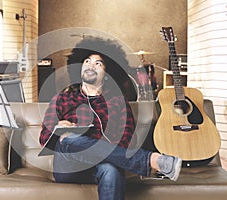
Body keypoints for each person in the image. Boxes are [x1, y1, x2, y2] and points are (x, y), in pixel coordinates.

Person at [39, 37, 182, 200]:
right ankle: (151, 161)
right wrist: (60, 127)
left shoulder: (118, 102)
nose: (90, 65)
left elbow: (127, 141)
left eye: (98, 63)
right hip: (69, 167)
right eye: (86, 61)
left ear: (107, 73)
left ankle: (146, 161)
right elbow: (44, 138)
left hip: (105, 164)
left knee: (111, 171)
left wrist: (96, 149)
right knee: (68, 139)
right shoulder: (62, 99)